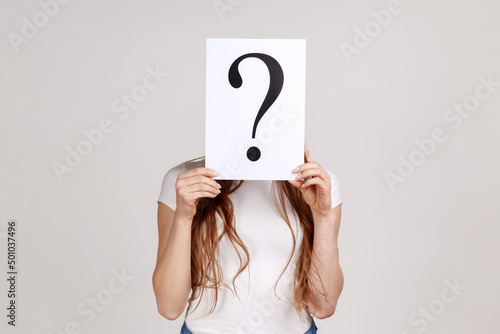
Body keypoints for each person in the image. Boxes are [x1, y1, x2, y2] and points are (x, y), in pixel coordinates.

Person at [152, 146, 344, 334]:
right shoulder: (186, 182)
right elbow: (169, 306)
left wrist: (323, 215)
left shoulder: (317, 184)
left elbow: (323, 307)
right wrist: (183, 215)